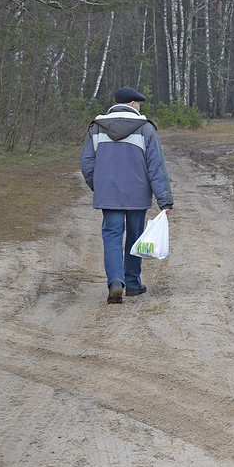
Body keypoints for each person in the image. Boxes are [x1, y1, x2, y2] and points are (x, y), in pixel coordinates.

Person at [81, 87, 173, 304]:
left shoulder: (97, 128)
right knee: (135, 236)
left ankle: (115, 281)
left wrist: (99, 185)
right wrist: (164, 199)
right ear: (133, 104)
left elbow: (87, 163)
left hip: (109, 193)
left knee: (112, 236)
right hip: (137, 194)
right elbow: (156, 167)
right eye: (139, 104)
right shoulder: (145, 129)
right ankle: (132, 283)